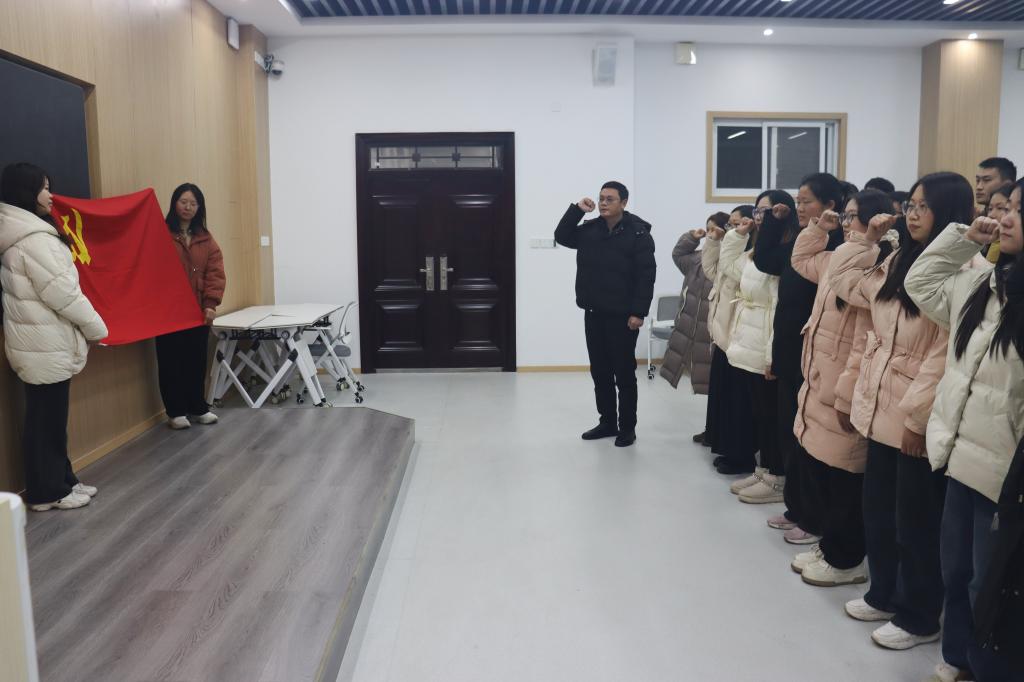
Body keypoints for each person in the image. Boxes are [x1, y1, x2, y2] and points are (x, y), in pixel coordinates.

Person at [828, 171, 977, 651]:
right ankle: (884, 593)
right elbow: (846, 288)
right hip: (880, 403)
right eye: (910, 205)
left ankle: (918, 615)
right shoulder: (900, 258)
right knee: (879, 513)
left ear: (949, 211)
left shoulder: (964, 269)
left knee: (916, 523)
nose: (912, 214)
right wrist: (867, 242)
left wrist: (916, 418)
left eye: (923, 206)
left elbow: (944, 355)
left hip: (915, 412)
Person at [906, 179, 1024, 682]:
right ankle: (957, 657)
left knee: (986, 583)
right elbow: (921, 283)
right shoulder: (984, 284)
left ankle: (982, 665)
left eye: (1018, 210)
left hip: (1004, 474)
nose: (1006, 217)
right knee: (955, 571)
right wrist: (964, 239)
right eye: (1007, 207)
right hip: (960, 457)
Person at [788, 189, 895, 587]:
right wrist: (819, 229)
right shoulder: (839, 258)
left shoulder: (875, 266)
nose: (846, 223)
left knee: (846, 477)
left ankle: (846, 558)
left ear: (876, 222)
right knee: (825, 471)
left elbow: (866, 338)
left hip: (842, 389)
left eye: (853, 217)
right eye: (845, 216)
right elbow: (802, 260)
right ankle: (830, 546)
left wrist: (848, 394)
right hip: (820, 380)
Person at [0, 163, 108, 511]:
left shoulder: (24, 233)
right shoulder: (34, 240)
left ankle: (63, 481)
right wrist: (97, 328)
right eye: (44, 188)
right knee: (46, 423)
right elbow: (64, 294)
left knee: (49, 420)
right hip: (43, 345)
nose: (50, 195)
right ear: (26, 192)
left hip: (41, 343)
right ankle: (48, 492)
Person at [755, 173, 845, 538]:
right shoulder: (801, 241)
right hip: (789, 350)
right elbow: (766, 261)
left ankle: (812, 514)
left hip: (815, 356)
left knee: (810, 440)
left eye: (806, 201)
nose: (799, 207)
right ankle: (795, 506)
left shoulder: (837, 246)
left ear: (830, 206)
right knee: (789, 431)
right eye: (798, 200)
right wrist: (774, 223)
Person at [554, 181, 656, 447]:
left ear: (624, 202)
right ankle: (607, 422)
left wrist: (638, 312)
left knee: (624, 374)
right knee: (600, 372)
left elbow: (646, 276)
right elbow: (562, 236)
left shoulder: (638, 234)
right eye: (601, 198)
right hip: (594, 312)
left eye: (610, 199)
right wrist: (577, 210)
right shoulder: (591, 230)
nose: (603, 203)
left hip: (623, 317)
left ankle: (627, 427)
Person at [718, 191, 785, 497]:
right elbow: (729, 267)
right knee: (759, 413)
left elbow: (779, 309)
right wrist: (737, 235)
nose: (760, 217)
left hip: (765, 345)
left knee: (771, 416)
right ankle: (763, 471)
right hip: (747, 340)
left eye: (767, 211)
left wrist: (773, 356)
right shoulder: (757, 252)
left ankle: (776, 478)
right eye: (758, 211)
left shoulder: (781, 254)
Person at [156, 183, 225, 429]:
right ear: (174, 203)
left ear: (199, 208)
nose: (188, 207)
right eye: (183, 201)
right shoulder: (160, 233)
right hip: (168, 312)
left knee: (196, 361)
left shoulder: (205, 238)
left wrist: (211, 304)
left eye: (193, 203)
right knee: (170, 362)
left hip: (198, 311)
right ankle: (175, 412)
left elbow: (215, 273)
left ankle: (198, 408)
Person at [702, 205, 758, 472]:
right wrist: (713, 242)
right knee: (722, 395)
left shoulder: (751, 256)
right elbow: (711, 271)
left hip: (737, 336)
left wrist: (731, 241)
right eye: (731, 224)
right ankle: (719, 441)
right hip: (722, 334)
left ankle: (738, 454)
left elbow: (731, 270)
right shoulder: (733, 251)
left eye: (738, 224)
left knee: (737, 400)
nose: (732, 229)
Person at [660, 212, 726, 419]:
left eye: (715, 229)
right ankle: (711, 428)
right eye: (708, 229)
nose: (710, 233)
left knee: (717, 384)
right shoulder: (697, 259)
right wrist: (691, 237)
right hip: (691, 327)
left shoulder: (728, 261)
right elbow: (678, 256)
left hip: (715, 331)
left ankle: (716, 429)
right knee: (706, 383)